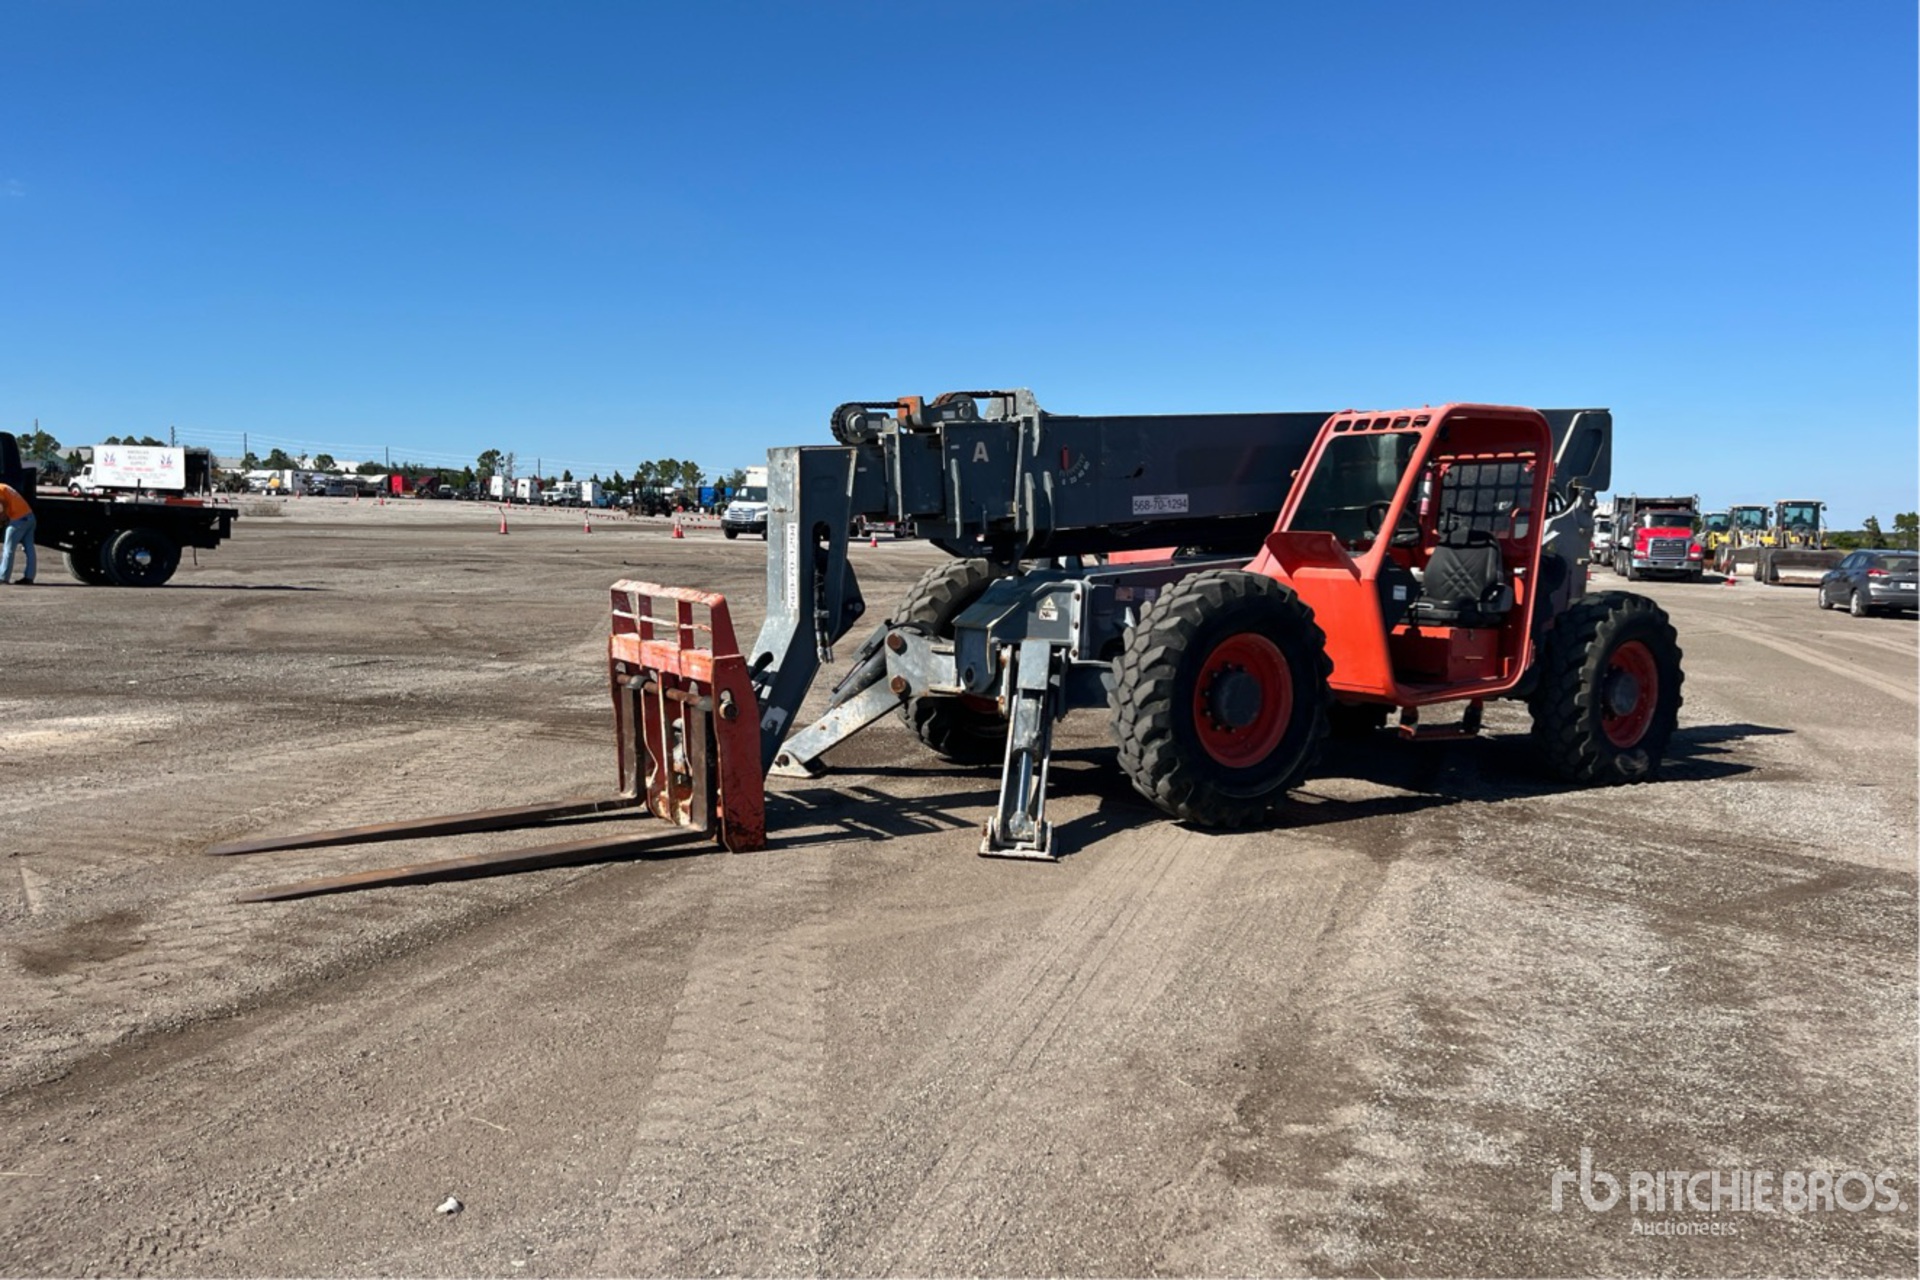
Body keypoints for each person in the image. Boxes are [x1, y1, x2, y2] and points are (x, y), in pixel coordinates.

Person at [0, 479, 35, 584]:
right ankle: (29, 577)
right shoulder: (4, 486)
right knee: (29, 549)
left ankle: (3, 577)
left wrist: (2, 519)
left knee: (8, 548)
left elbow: (2, 504)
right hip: (30, 517)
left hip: (18, 519)